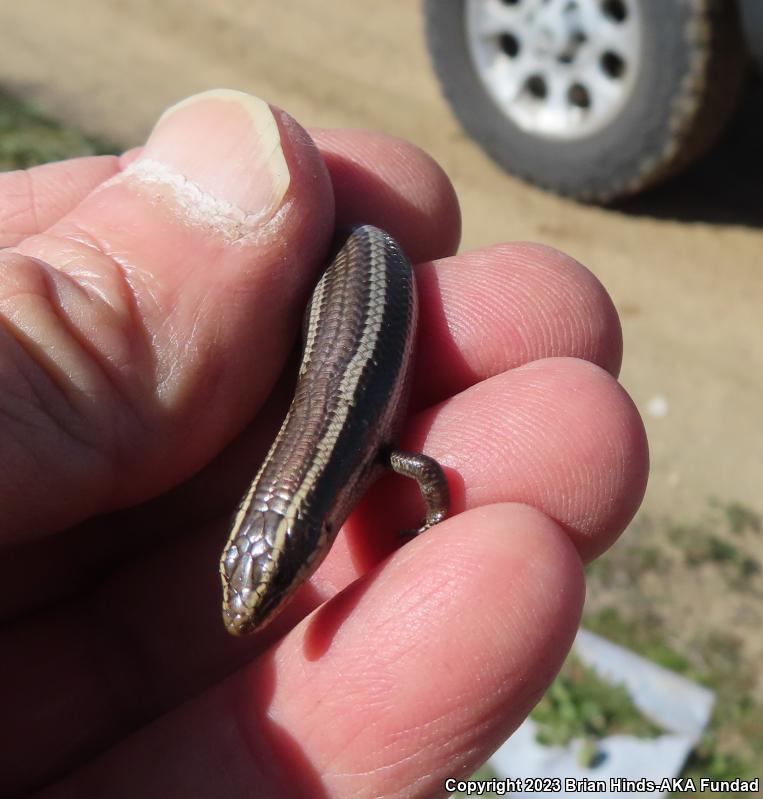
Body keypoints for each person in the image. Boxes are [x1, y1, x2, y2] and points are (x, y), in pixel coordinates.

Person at [0, 90, 648, 797]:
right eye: (252, 578)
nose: (249, 604)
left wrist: (436, 516)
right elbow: (419, 467)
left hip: (369, 263)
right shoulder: (356, 460)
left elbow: (425, 470)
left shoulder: (363, 457)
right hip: (350, 280)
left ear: (312, 541)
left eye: (278, 578)